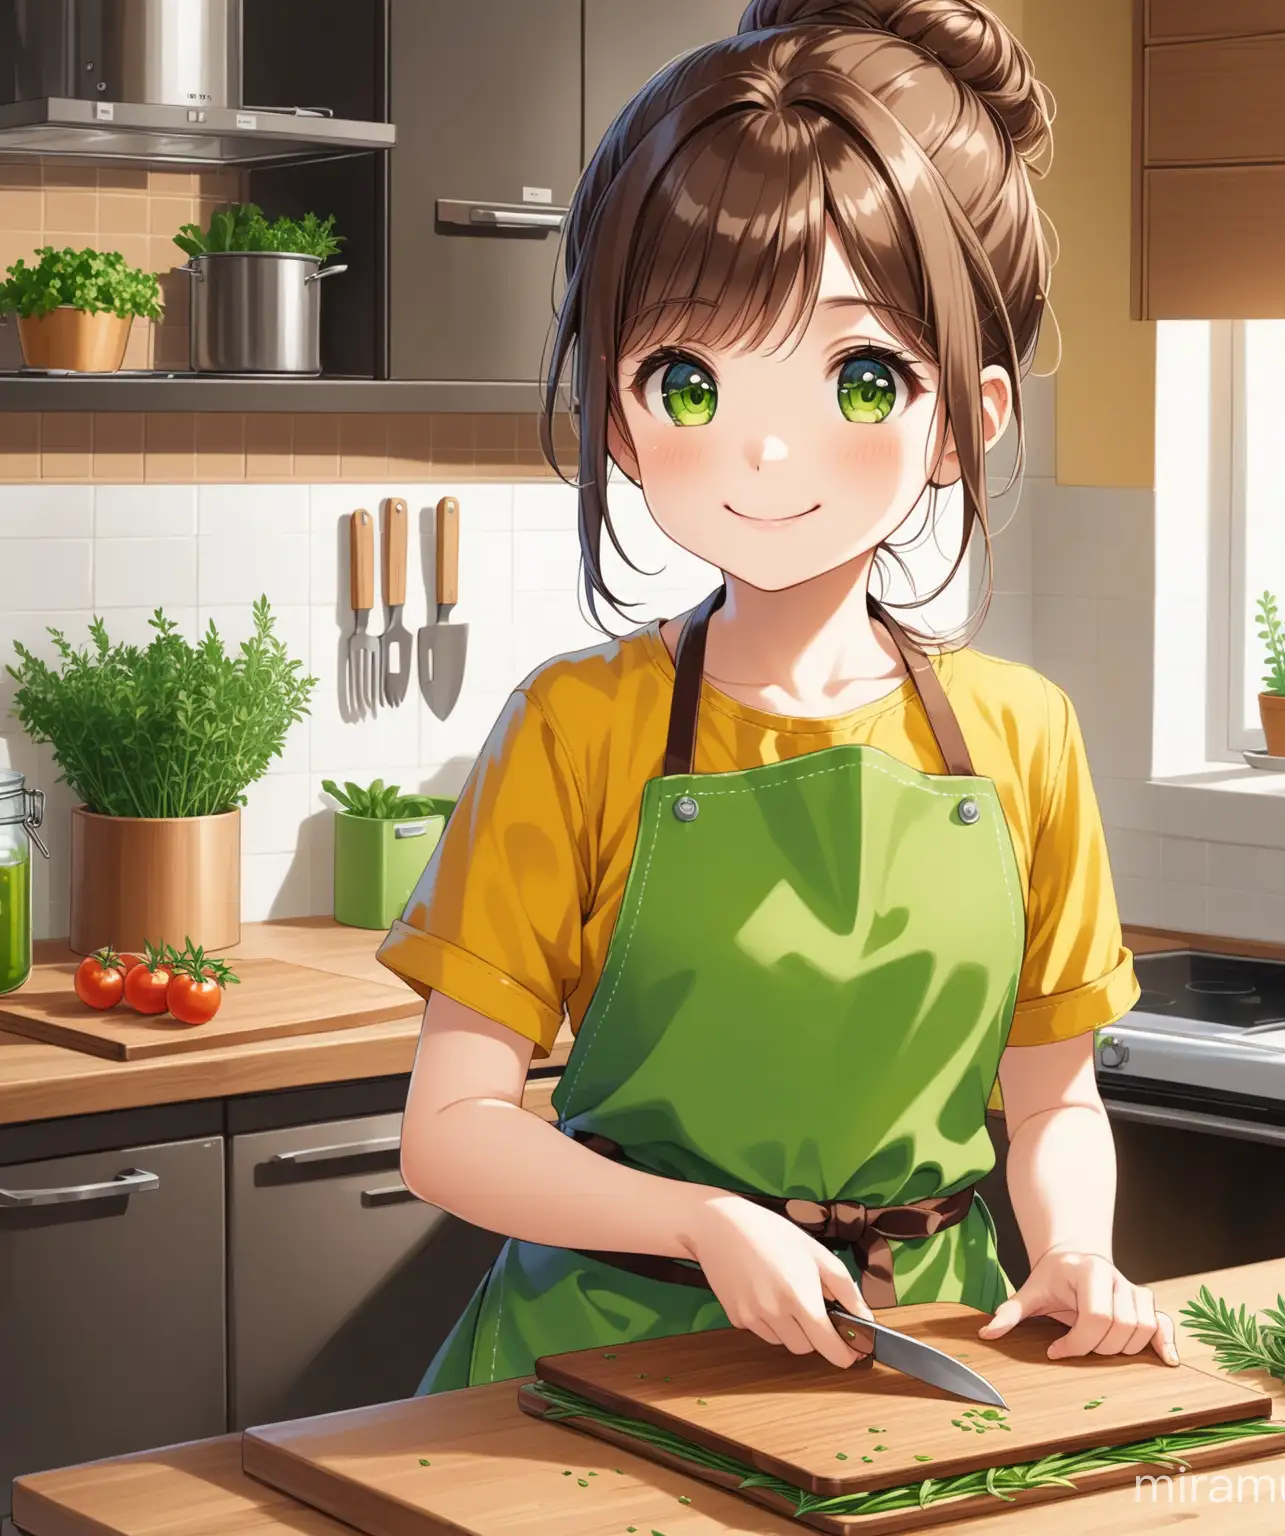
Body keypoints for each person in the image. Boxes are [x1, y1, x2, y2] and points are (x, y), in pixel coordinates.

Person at [378, 0, 1176, 1393]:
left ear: (967, 422)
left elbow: (1054, 1095)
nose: (762, 451)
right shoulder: (578, 729)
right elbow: (450, 1128)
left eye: (862, 377)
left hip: (931, 1355)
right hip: (607, 1361)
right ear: (622, 418)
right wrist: (696, 1220)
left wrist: (1074, 1248)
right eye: (688, 382)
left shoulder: (1022, 737)